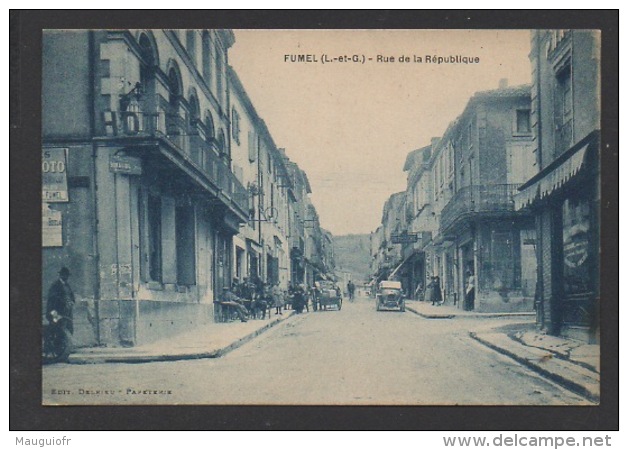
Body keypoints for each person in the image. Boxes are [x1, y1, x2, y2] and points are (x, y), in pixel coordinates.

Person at [46, 267, 75, 334]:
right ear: (61, 275)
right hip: (57, 310)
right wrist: (64, 302)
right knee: (56, 326)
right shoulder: (55, 285)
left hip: (67, 311)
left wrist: (72, 301)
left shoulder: (67, 285)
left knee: (68, 326)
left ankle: (66, 342)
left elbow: (71, 296)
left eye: (67, 275)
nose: (66, 277)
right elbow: (53, 298)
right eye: (65, 275)